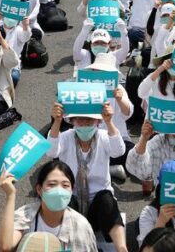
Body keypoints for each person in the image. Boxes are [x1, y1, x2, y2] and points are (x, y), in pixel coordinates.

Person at [48, 100, 128, 251]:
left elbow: (119, 151)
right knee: (63, 198)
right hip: (73, 202)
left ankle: (122, 247)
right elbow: (51, 152)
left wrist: (109, 122)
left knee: (106, 198)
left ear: (98, 121)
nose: (84, 124)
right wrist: (56, 122)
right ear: (72, 121)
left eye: (89, 120)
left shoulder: (104, 136)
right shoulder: (66, 137)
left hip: (99, 208)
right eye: (79, 119)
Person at [0, 161, 98, 252]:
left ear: (72, 190)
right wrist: (10, 195)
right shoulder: (25, 216)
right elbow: (5, 247)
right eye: (52, 184)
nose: (59, 191)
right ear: (39, 189)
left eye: (65, 185)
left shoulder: (81, 225)